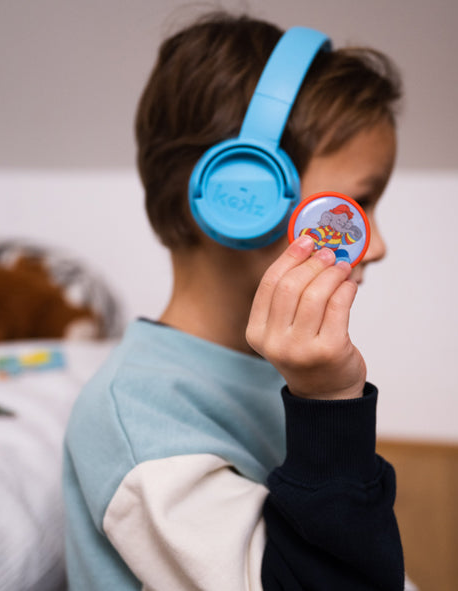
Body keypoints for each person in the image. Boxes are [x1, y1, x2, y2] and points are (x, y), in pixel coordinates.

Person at [63, 11, 406, 590]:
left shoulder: (271, 373)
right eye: (357, 205)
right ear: (243, 197)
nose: (377, 245)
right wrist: (329, 408)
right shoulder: (141, 425)